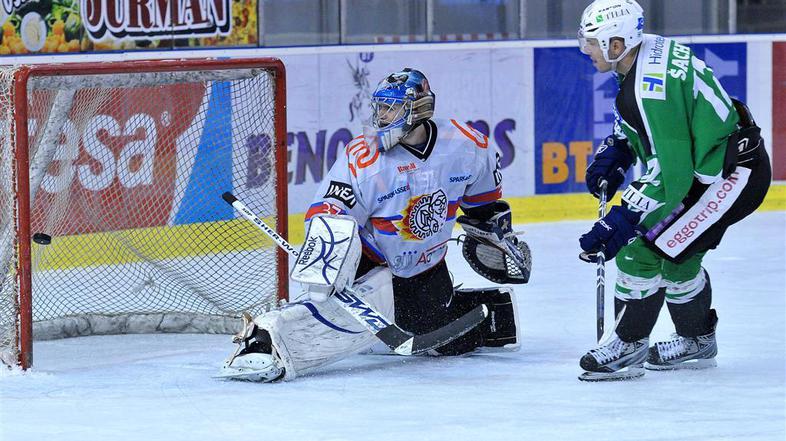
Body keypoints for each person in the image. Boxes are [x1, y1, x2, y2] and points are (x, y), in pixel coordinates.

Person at [217, 68, 532, 382]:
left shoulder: (466, 146)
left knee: (454, 341)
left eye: (391, 107)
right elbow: (328, 211)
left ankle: (372, 334)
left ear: (419, 109)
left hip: (427, 273)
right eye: (380, 106)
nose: (381, 115)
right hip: (370, 266)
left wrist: (495, 236)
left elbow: (483, 207)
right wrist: (327, 258)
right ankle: (263, 341)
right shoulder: (363, 157)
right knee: (331, 318)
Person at [575, 0, 771, 381]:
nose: (587, 50)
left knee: (641, 247)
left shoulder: (651, 88)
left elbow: (673, 175)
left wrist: (624, 216)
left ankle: (628, 345)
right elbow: (656, 126)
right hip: (723, 162)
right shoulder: (643, 50)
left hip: (728, 176)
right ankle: (696, 340)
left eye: (593, 43)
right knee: (678, 253)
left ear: (617, 45)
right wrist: (621, 145)